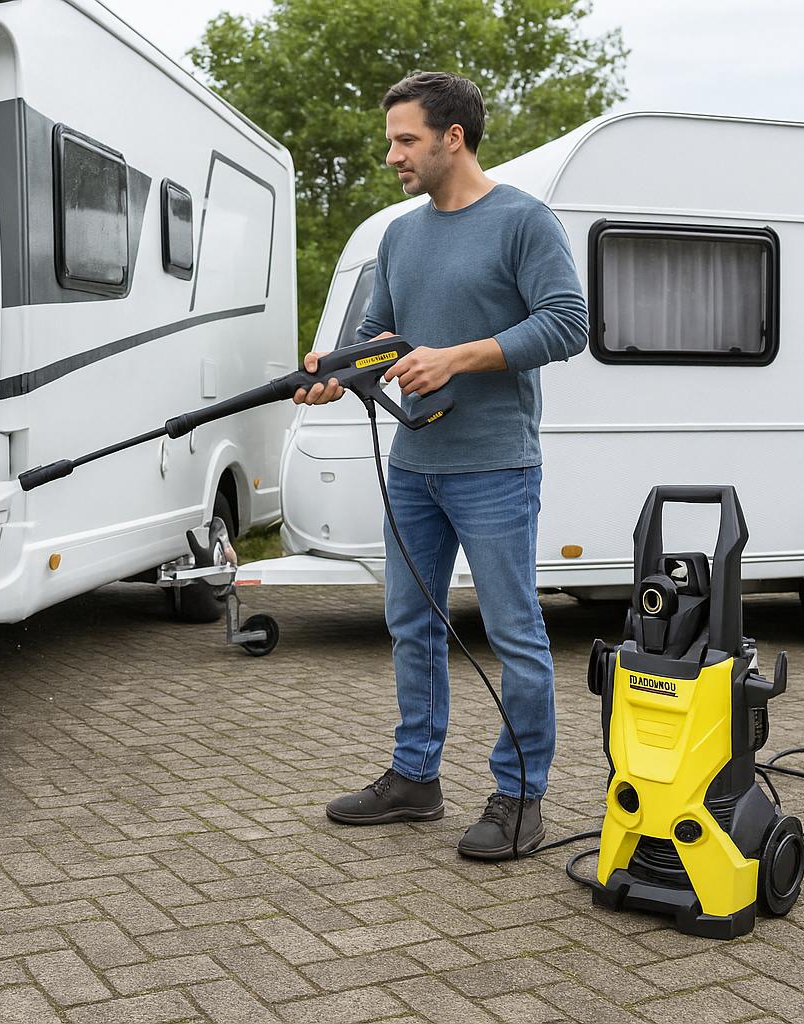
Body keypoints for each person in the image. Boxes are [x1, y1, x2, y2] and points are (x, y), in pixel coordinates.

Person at [294, 71, 588, 859]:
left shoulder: (523, 221)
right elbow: (379, 338)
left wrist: (458, 357)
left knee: (514, 632)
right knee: (412, 625)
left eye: (405, 139)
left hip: (495, 466)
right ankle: (415, 778)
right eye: (392, 139)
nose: (392, 154)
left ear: (452, 137)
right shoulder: (400, 234)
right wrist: (337, 369)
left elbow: (568, 324)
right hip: (416, 465)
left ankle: (521, 796)